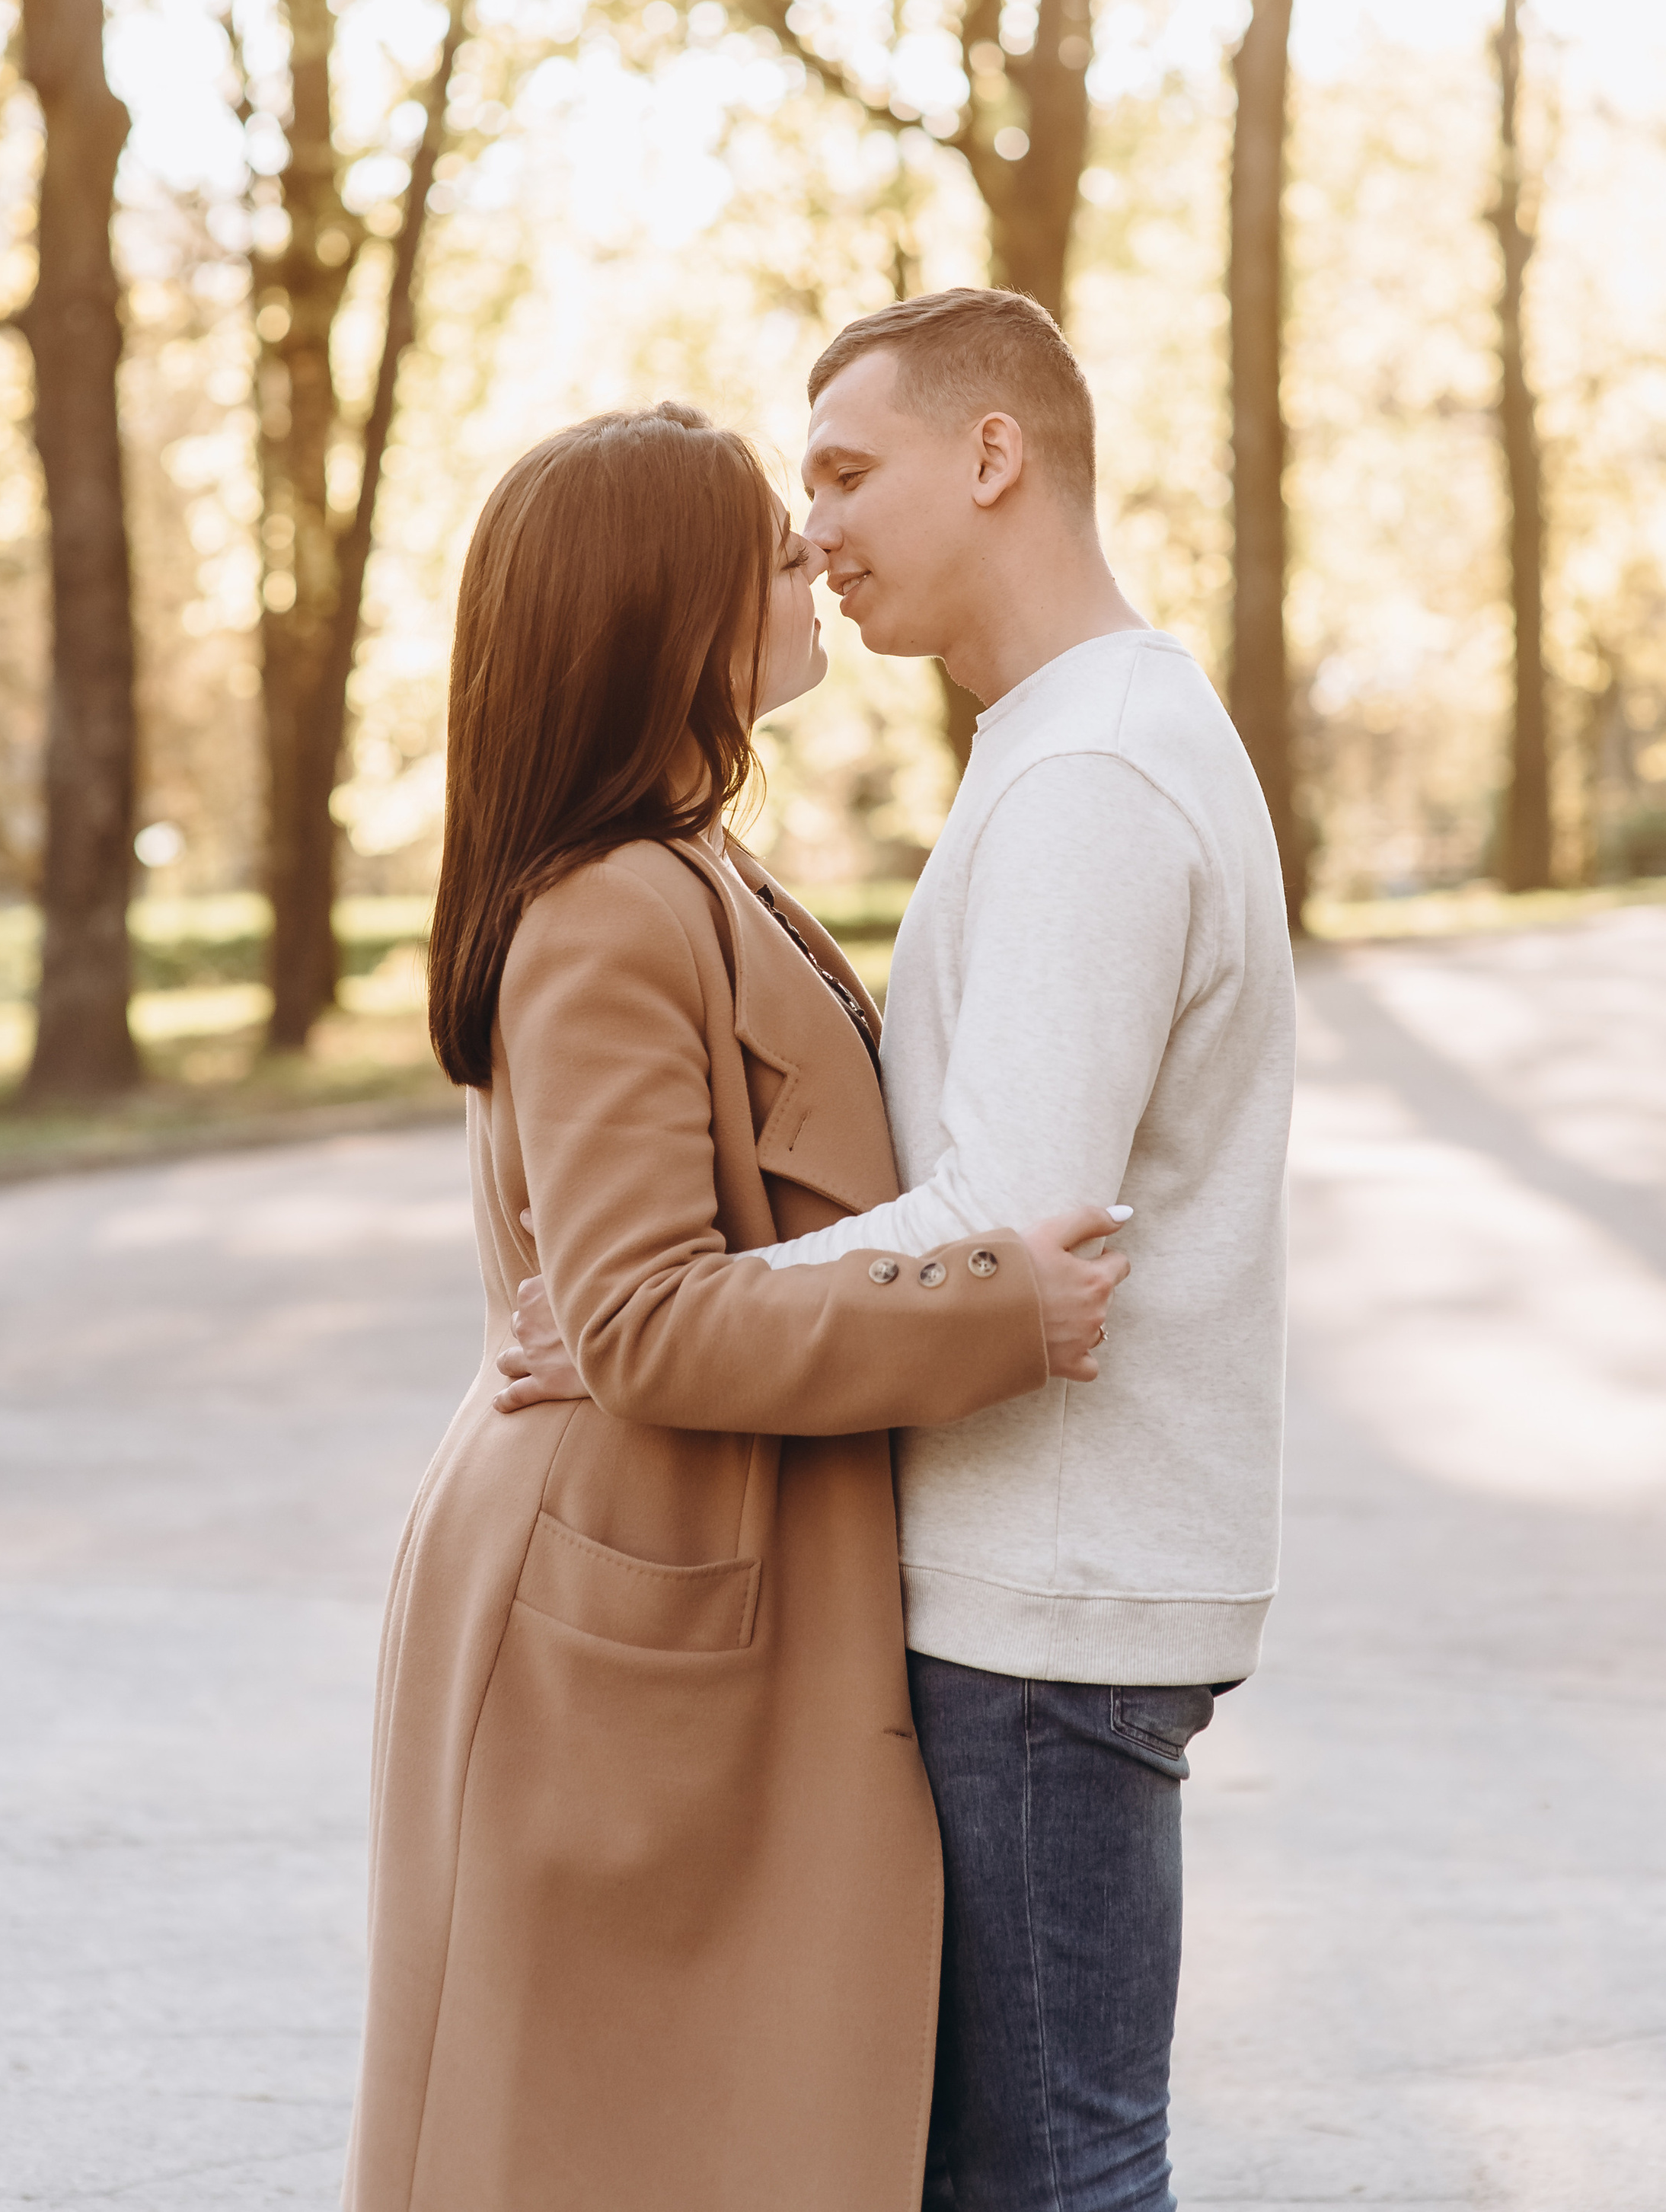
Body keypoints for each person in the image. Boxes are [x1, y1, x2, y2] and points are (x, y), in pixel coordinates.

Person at [501, 294, 1297, 2212]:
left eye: (847, 469)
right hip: (1040, 1575)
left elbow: (1006, 1228)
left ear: (994, 456)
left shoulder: (1090, 773)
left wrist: (645, 1324)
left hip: (1044, 1589)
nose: (819, 525)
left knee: (1046, 2175)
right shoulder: (1066, 741)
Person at [343, 402, 1128, 2212]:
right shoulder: (614, 905)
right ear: (661, 607)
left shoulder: (689, 862)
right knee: (604, 2141)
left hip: (679, 1562)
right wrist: (992, 1308)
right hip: (619, 1597)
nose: (816, 567)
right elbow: (639, 1323)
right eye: (773, 551)